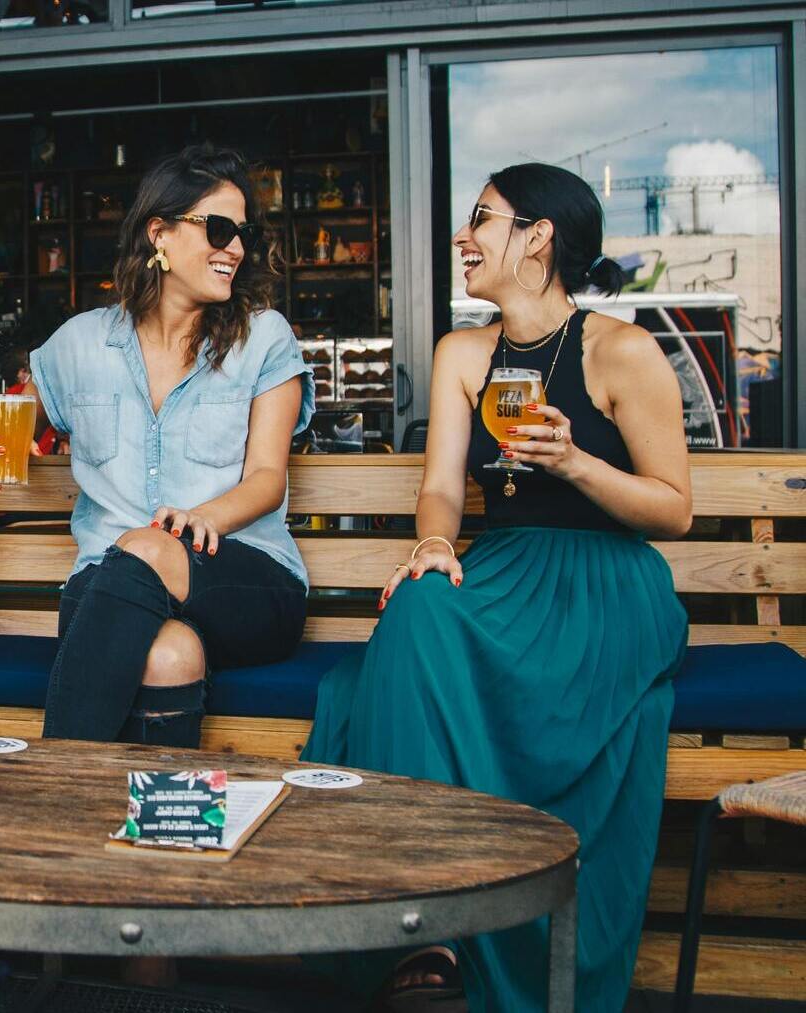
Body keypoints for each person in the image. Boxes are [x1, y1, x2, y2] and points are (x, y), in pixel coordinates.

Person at [302, 163, 690, 1012]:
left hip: (605, 585)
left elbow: (674, 511)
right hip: (502, 563)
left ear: (538, 238)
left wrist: (577, 463)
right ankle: (423, 932)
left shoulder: (620, 351)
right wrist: (435, 541)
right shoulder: (464, 353)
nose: (462, 235)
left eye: (482, 217)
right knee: (418, 603)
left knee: (396, 654)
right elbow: (441, 484)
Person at [0, 142, 313, 751]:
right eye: (218, 229)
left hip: (242, 579)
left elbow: (268, 478)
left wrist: (200, 519)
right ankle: (154, 832)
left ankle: (54, 776)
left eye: (243, 232)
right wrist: (10, 440)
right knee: (168, 655)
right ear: (159, 233)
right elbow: (22, 405)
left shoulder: (263, 338)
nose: (235, 247)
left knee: (150, 548)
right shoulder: (80, 342)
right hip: (106, 588)